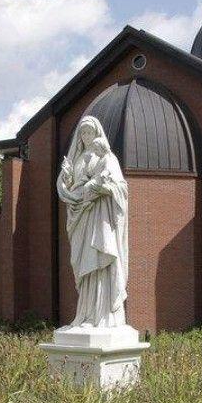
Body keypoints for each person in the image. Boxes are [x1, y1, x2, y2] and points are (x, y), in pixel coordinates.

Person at [55, 115, 129, 329]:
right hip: (81, 215)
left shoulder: (107, 157)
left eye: (89, 132)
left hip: (100, 215)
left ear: (97, 134)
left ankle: (101, 316)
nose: (86, 136)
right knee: (83, 263)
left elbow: (121, 188)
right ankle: (85, 315)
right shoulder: (77, 159)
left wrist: (101, 188)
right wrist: (65, 178)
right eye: (83, 133)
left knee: (98, 259)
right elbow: (69, 188)